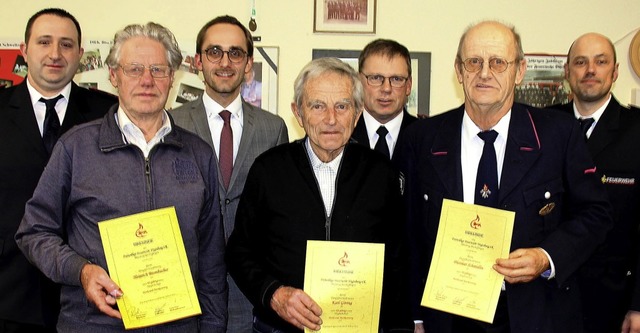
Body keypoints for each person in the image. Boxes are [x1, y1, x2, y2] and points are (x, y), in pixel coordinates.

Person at [396, 21, 613, 333]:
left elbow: (596, 213)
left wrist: (546, 257)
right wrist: (416, 316)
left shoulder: (558, 135)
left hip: (535, 314)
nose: (485, 73)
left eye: (498, 62)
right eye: (474, 62)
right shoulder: (424, 139)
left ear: (520, 70)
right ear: (459, 71)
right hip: (448, 316)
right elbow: (411, 233)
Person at [15, 22, 227, 333]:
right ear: (114, 76)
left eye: (158, 69)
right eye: (134, 69)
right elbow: (33, 232)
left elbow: (211, 260)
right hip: (93, 324)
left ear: (172, 78)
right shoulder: (76, 147)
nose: (146, 80)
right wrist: (81, 271)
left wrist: (212, 327)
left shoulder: (198, 153)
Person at [226, 57, 412, 332]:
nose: (331, 119)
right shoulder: (268, 170)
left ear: (357, 113)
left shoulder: (381, 173)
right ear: (298, 113)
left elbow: (398, 262)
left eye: (342, 106)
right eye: (317, 106)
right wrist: (275, 295)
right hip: (280, 328)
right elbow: (239, 251)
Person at [0, 8, 117, 332]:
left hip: (91, 298)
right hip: (10, 293)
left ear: (80, 54)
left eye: (66, 45)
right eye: (44, 42)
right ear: (24, 50)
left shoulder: (108, 113)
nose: (55, 54)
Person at [171, 15, 288, 333]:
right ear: (198, 61)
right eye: (214, 52)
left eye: (235, 53)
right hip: (184, 288)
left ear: (249, 64)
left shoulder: (272, 128)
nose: (225, 62)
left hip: (248, 291)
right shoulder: (171, 125)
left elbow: (277, 213)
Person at [549, 32, 640, 333]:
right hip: (547, 294)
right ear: (567, 72)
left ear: (614, 72)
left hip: (611, 301)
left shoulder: (636, 131)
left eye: (600, 62)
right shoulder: (542, 126)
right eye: (580, 62)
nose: (590, 70)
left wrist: (639, 305)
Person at [351, 38, 416, 159]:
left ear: (409, 86)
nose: (386, 89)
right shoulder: (343, 135)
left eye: (396, 79)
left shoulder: (426, 138)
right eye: (376, 78)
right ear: (359, 82)